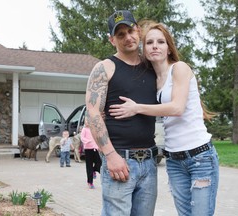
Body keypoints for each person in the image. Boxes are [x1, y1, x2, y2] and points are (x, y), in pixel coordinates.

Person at [109, 21, 219, 216]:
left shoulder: (180, 68)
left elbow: (177, 107)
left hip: (200, 157)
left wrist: (136, 108)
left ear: (168, 48)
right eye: (149, 42)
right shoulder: (151, 77)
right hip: (174, 160)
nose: (155, 46)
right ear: (144, 48)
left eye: (160, 42)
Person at [85, 10, 159, 216]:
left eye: (131, 30)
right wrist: (110, 155)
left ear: (138, 31)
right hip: (120, 161)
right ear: (112, 40)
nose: (128, 37)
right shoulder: (105, 68)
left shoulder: (152, 67)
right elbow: (93, 114)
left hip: (150, 161)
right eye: (120, 34)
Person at [80, 122, 102, 189]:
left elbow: (98, 138)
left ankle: (94, 171)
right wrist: (88, 141)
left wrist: (99, 146)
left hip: (95, 148)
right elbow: (82, 138)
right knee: (89, 166)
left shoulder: (94, 129)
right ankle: (90, 182)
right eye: (86, 121)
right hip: (88, 149)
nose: (87, 123)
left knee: (99, 162)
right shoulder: (84, 129)